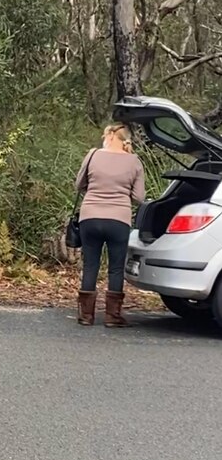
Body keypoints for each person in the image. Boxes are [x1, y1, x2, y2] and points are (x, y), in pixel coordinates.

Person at [74, 124, 145, 327]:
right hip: (118, 220)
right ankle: (112, 317)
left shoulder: (93, 155)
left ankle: (86, 316)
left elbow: (79, 185)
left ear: (111, 136)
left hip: (90, 217)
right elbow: (139, 197)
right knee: (115, 268)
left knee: (90, 265)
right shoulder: (134, 161)